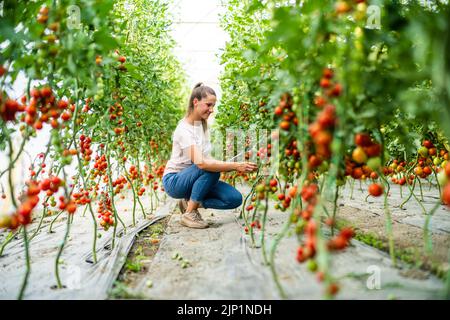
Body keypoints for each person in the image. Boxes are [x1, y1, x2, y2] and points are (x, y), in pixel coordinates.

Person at [162, 83, 257, 229]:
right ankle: (189, 214)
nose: (211, 110)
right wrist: (236, 166)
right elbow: (202, 164)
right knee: (211, 170)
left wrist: (234, 161)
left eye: (213, 106)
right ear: (195, 102)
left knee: (234, 199)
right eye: (208, 105)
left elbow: (208, 159)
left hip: (194, 180)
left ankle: (191, 203)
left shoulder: (201, 126)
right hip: (175, 181)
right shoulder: (184, 130)